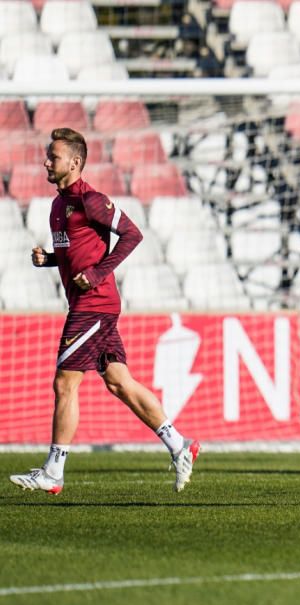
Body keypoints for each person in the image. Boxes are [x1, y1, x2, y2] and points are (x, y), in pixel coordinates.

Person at [9, 128, 199, 495]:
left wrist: (97, 273)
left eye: (54, 157)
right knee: (119, 382)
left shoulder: (91, 200)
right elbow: (78, 252)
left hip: (94, 304)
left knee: (65, 383)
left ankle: (54, 471)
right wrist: (50, 260)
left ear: (75, 163)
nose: (46, 162)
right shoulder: (58, 205)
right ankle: (180, 444)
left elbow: (132, 234)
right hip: (90, 304)